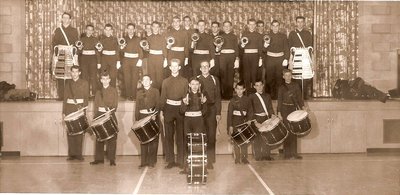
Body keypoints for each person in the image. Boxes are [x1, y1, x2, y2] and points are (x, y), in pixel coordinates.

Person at [159, 59, 188, 169]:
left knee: (180, 136)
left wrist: (184, 110)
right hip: (168, 110)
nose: (174, 68)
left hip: (180, 110)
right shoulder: (165, 81)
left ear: (179, 67)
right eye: (172, 66)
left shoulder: (185, 81)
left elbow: (186, 97)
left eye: (176, 66)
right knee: (168, 136)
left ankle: (180, 160)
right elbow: (163, 98)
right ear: (170, 67)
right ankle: (170, 160)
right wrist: (161, 111)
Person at [90, 71, 119, 166]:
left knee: (112, 139)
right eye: (103, 79)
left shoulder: (114, 90)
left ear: (109, 80)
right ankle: (99, 159)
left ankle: (112, 159)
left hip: (110, 116)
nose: (105, 81)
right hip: (100, 115)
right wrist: (95, 119)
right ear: (101, 80)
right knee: (99, 138)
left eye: (107, 79)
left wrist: (109, 113)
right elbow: (96, 107)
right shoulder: (98, 92)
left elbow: (115, 105)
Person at [179, 77, 207, 174]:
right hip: (187, 121)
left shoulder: (202, 95)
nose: (194, 86)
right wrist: (185, 104)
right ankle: (186, 168)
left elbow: (205, 111)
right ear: (189, 85)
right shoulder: (185, 95)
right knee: (187, 143)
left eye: (196, 84)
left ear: (199, 85)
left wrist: (203, 103)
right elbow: (181, 111)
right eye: (192, 84)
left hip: (198, 121)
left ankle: (200, 167)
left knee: (198, 143)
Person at [197, 61, 221, 169]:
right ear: (200, 68)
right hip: (200, 110)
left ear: (209, 68)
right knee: (201, 136)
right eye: (203, 66)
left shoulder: (214, 79)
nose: (205, 68)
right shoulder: (196, 79)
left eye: (207, 66)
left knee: (211, 136)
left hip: (211, 110)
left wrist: (218, 112)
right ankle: (201, 159)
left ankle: (210, 160)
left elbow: (218, 97)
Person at [62, 65, 89, 161]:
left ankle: (79, 154)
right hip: (69, 109)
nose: (74, 74)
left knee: (80, 132)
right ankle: (71, 154)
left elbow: (86, 98)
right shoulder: (67, 83)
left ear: (79, 73)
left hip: (79, 109)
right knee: (70, 131)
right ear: (71, 72)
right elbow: (65, 99)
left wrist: (83, 109)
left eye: (76, 72)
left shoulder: (84, 83)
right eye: (73, 72)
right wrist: (64, 112)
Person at [277, 69, 305, 160]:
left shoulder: (296, 85)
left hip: (293, 109)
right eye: (286, 75)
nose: (288, 77)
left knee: (294, 130)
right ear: (283, 77)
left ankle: (294, 153)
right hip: (285, 109)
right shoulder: (281, 87)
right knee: (287, 131)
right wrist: (279, 113)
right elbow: (279, 101)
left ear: (291, 76)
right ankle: (287, 153)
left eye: (289, 75)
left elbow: (299, 98)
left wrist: (303, 108)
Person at [52, 12, 79, 100]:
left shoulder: (74, 30)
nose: (65, 19)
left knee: (70, 74)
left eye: (67, 18)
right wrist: (56, 51)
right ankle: (61, 96)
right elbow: (54, 43)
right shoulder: (58, 30)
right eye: (64, 18)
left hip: (70, 53)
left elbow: (76, 43)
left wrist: (74, 51)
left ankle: (69, 96)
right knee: (60, 75)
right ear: (62, 19)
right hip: (60, 53)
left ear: (70, 20)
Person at [135, 75, 160, 168]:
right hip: (142, 117)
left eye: (147, 80)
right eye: (143, 80)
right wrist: (137, 119)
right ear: (142, 82)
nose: (145, 81)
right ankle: (143, 162)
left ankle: (152, 161)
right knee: (143, 139)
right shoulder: (139, 92)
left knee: (153, 140)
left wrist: (154, 115)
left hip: (152, 117)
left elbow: (158, 104)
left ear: (151, 81)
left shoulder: (156, 91)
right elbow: (137, 106)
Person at [288, 16, 313, 100]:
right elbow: (290, 46)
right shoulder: (292, 33)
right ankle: (297, 96)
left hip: (305, 57)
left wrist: (308, 52)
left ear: (304, 23)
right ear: (296, 23)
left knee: (305, 76)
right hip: (296, 57)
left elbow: (310, 45)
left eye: (302, 22)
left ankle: (305, 96)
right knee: (296, 76)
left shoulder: (307, 33)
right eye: (298, 22)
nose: (300, 24)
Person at [227, 81, 252, 164]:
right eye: (237, 89)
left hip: (244, 121)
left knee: (244, 141)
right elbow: (229, 114)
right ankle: (237, 158)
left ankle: (244, 158)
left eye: (241, 89)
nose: (239, 91)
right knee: (236, 141)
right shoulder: (232, 100)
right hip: (235, 121)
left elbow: (250, 111)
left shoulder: (247, 99)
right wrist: (230, 125)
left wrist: (249, 120)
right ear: (235, 89)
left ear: (244, 89)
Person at [249, 80, 274, 161]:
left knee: (266, 137)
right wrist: (255, 122)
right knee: (257, 138)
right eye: (257, 85)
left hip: (266, 118)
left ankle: (266, 155)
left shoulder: (267, 96)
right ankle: (258, 155)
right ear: (254, 87)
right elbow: (250, 110)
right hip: (257, 118)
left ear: (263, 85)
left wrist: (272, 115)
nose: (259, 87)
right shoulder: (251, 96)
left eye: (260, 85)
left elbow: (270, 108)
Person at [264, 20, 289, 100]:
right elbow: (263, 50)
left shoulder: (283, 36)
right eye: (273, 26)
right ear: (271, 27)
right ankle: (269, 97)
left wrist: (286, 58)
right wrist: (265, 45)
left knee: (279, 78)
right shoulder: (266, 36)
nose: (275, 27)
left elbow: (286, 48)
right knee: (269, 78)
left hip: (280, 59)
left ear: (279, 27)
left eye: (277, 25)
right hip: (270, 59)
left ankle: (279, 96)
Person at [120, 23, 143, 101]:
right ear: (126, 30)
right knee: (127, 78)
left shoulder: (138, 39)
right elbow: (120, 51)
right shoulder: (123, 39)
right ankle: (127, 95)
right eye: (129, 29)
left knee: (134, 78)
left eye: (132, 29)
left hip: (135, 60)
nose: (130, 30)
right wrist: (121, 48)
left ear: (134, 30)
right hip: (126, 60)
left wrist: (140, 59)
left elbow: (141, 50)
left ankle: (133, 96)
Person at [77, 24, 100, 99]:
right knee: (84, 76)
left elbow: (97, 52)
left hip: (93, 59)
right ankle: (85, 93)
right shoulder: (82, 39)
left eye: (91, 30)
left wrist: (99, 62)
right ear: (86, 30)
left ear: (93, 31)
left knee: (93, 77)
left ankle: (94, 94)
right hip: (84, 59)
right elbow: (78, 52)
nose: (89, 31)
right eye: (88, 29)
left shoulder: (95, 39)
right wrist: (80, 48)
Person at [240, 19, 263, 91]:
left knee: (254, 74)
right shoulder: (244, 34)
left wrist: (260, 58)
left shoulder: (258, 35)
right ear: (248, 25)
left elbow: (260, 47)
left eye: (253, 24)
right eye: (250, 24)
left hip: (255, 56)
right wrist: (242, 45)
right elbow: (240, 46)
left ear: (255, 26)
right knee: (246, 75)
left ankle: (254, 92)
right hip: (246, 56)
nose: (252, 26)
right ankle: (247, 92)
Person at [220, 21, 239, 100]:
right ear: (223, 27)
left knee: (230, 76)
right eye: (225, 26)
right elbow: (217, 49)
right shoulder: (220, 36)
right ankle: (223, 94)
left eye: (228, 26)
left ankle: (230, 94)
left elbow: (236, 48)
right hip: (223, 57)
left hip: (231, 57)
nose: (227, 27)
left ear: (231, 27)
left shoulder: (234, 36)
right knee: (223, 76)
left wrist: (237, 58)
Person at [97, 24, 121, 88]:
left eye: (109, 30)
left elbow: (117, 50)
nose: (108, 31)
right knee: (103, 76)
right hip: (104, 60)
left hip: (113, 60)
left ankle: (112, 92)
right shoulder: (101, 39)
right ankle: (103, 92)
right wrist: (99, 62)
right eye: (106, 30)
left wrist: (118, 61)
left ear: (112, 31)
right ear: (104, 30)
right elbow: (98, 52)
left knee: (113, 76)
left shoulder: (115, 39)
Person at [147, 21, 167, 90]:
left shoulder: (162, 38)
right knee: (151, 75)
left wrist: (165, 59)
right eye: (154, 27)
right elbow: (146, 50)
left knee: (159, 76)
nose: (155, 28)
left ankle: (159, 93)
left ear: (159, 28)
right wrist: (145, 49)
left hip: (159, 58)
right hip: (151, 58)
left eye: (157, 27)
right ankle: (152, 93)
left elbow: (164, 49)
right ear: (152, 28)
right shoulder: (148, 38)